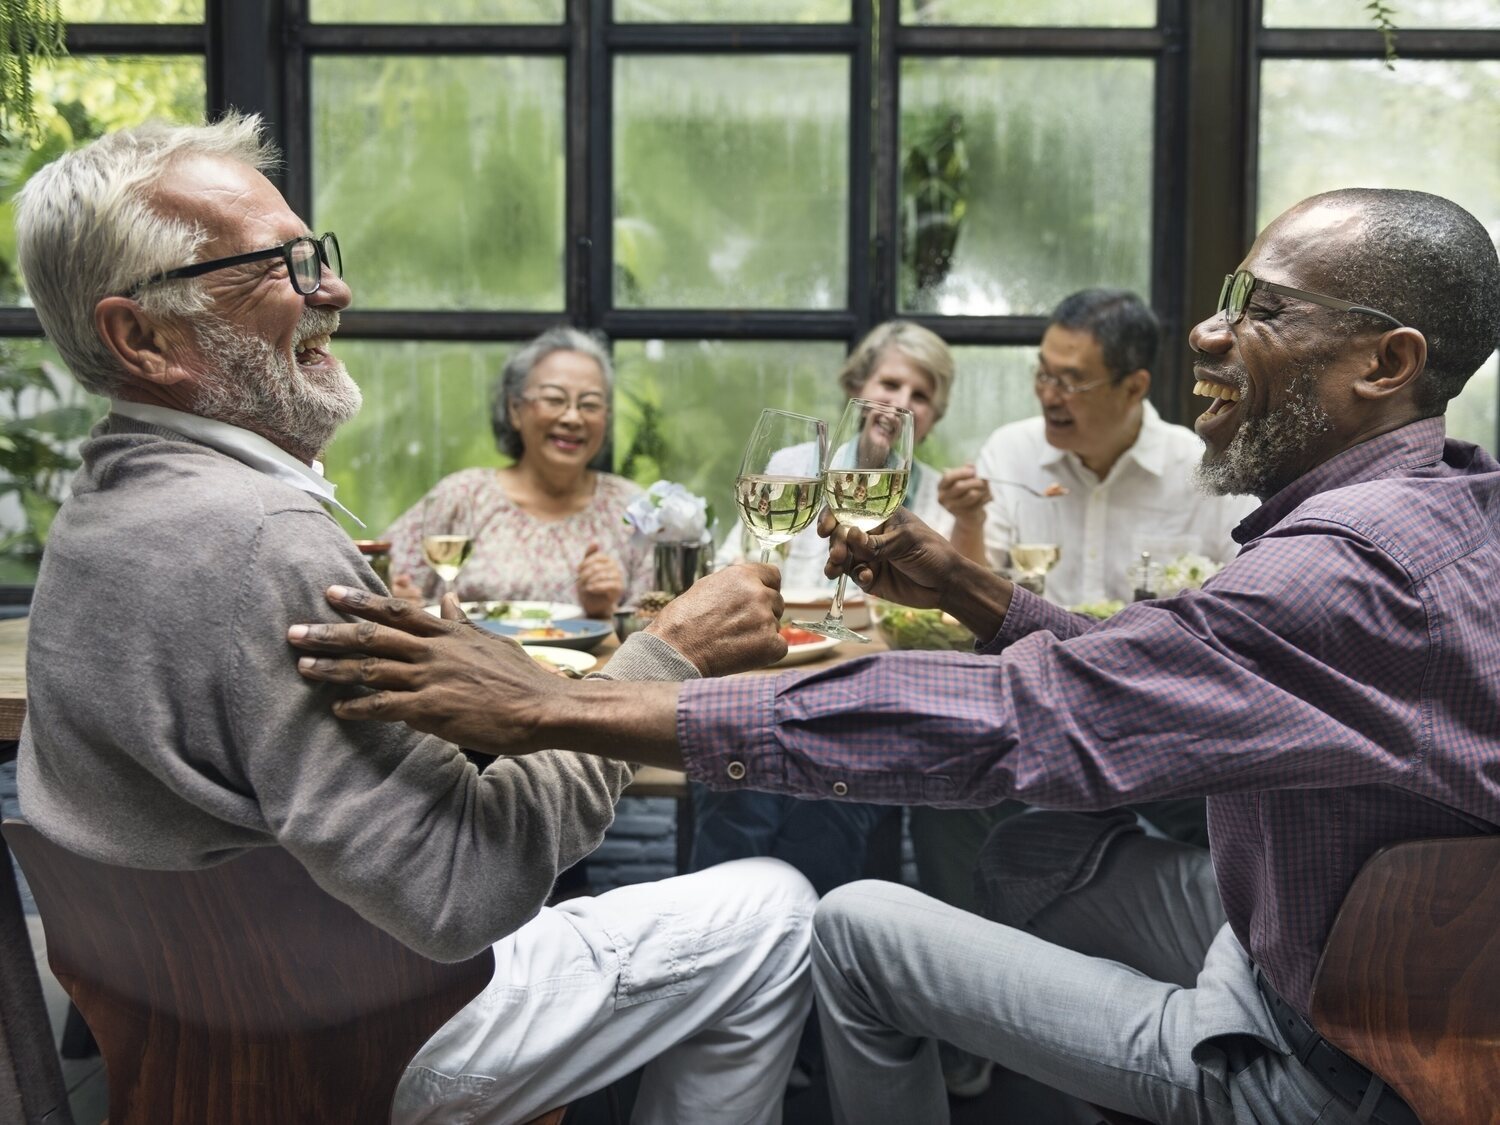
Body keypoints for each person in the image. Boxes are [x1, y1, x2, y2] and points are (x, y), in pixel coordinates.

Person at [290, 186, 1500, 1125]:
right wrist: (976, 591)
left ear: (1385, 364)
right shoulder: (1445, 506)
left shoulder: (1340, 572)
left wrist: (563, 709)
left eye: (1262, 305)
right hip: (1329, 940)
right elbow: (1154, 680)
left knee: (856, 921)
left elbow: (1023, 723)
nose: (1209, 326)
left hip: (1322, 1060)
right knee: (1033, 845)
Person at [14, 115, 817, 1125]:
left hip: (188, 1018)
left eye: (317, 256)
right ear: (143, 336)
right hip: (356, 1033)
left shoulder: (101, 507)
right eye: (282, 268)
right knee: (778, 907)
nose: (333, 290)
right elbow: (462, 894)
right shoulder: (267, 538)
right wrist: (667, 655)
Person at [948, 287, 1255, 607]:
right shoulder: (1010, 453)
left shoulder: (1208, 471)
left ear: (1133, 388)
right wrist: (969, 521)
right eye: (1043, 374)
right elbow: (965, 602)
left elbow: (1241, 606)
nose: (1048, 396)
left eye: (1069, 382)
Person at [383, 327, 651, 620]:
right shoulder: (463, 495)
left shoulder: (634, 510)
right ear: (515, 409)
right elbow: (382, 580)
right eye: (554, 399)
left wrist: (605, 611)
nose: (573, 418)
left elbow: (657, 629)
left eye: (589, 404)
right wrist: (397, 597)